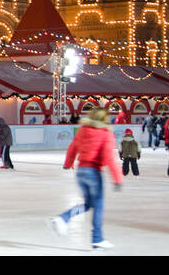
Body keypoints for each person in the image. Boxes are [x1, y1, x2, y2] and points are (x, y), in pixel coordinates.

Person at [50, 107, 123, 250]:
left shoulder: (83, 130)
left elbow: (72, 148)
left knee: (88, 204)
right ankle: (97, 239)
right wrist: (117, 178)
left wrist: (68, 163)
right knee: (99, 206)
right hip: (93, 172)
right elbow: (109, 157)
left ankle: (63, 218)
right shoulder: (105, 133)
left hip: (81, 171)